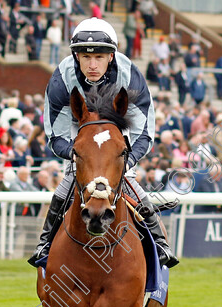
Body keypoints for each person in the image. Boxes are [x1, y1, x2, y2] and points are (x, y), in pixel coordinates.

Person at [27, 17, 178, 269]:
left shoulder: (130, 75)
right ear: (76, 57)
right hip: (83, 145)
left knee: (135, 190)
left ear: (111, 56)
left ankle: (161, 244)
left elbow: (145, 132)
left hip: (118, 145)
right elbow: (55, 135)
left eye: (99, 57)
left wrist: (125, 160)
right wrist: (79, 156)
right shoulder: (61, 80)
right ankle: (45, 243)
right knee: (63, 190)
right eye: (86, 58)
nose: (92, 65)